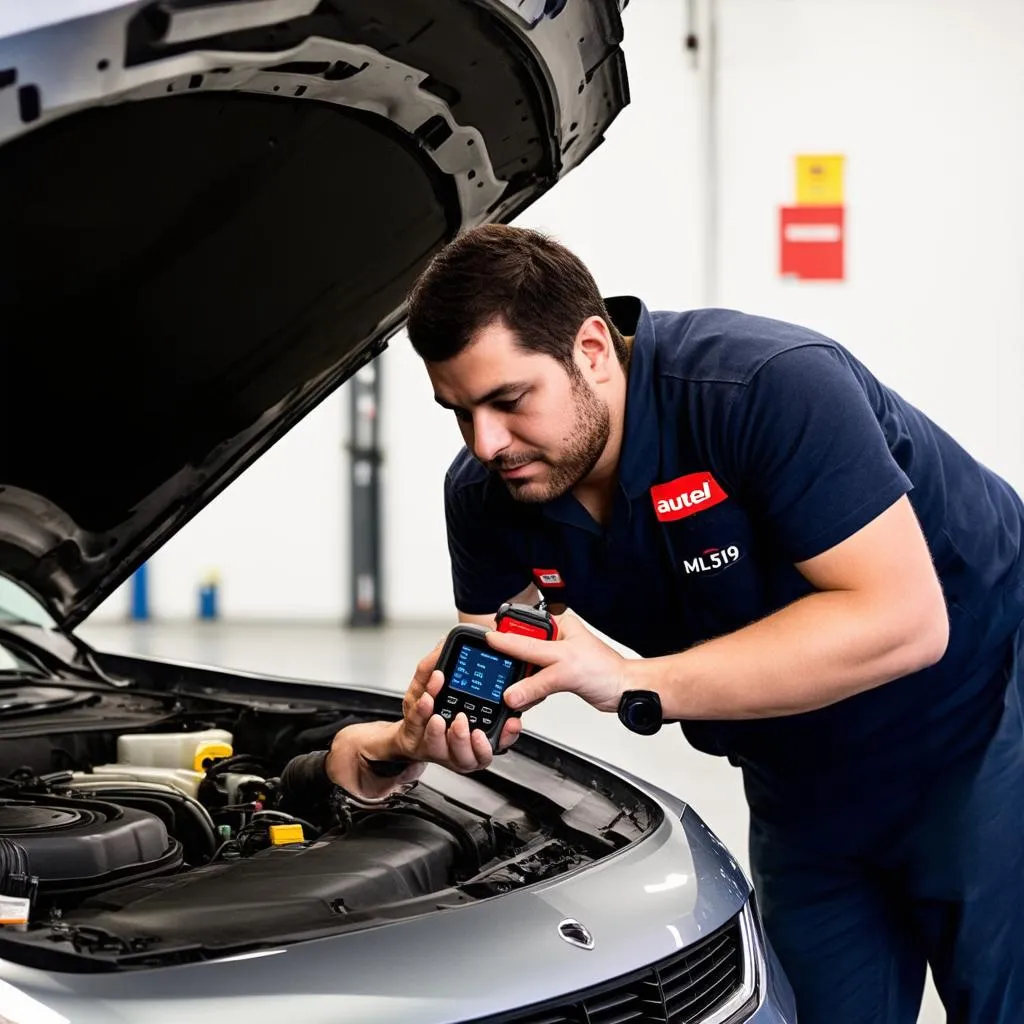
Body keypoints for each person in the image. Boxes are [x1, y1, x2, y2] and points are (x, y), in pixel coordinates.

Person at [356, 222, 1023, 1024]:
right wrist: (433, 734)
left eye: (508, 400)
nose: (486, 442)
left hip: (980, 721)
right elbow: (494, 663)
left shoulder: (764, 388)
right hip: (798, 769)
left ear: (593, 350)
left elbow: (907, 622)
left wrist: (635, 681)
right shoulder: (488, 492)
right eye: (458, 411)